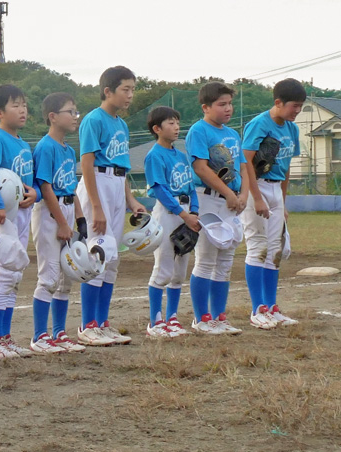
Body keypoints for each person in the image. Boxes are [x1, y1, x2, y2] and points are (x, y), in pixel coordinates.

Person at [74, 66, 146, 347]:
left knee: (112, 257)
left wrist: (131, 199)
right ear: (108, 91)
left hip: (115, 184)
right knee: (98, 253)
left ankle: (102, 322)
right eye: (125, 89)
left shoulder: (121, 124)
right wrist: (96, 206)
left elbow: (121, 168)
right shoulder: (94, 119)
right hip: (98, 184)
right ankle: (88, 325)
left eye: (132, 89)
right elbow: (87, 163)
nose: (130, 95)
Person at [0, 84, 37, 359]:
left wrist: (35, 194)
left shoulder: (24, 144)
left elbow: (30, 182)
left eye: (24, 104)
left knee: (15, 273)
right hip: (2, 215)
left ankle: (5, 337)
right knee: (3, 271)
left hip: (22, 213)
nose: (22, 110)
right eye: (15, 105)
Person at [185, 81, 249, 335]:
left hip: (231, 200)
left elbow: (243, 167)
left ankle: (219, 316)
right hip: (208, 198)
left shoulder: (233, 134)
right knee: (206, 258)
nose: (228, 108)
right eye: (222, 104)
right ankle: (201, 318)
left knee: (226, 259)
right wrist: (228, 193)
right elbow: (200, 168)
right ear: (206, 107)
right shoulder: (199, 130)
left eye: (230, 103)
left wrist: (243, 194)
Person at [241, 78, 304, 329]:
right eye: (294, 106)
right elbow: (246, 162)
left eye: (300, 106)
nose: (297, 110)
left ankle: (271, 306)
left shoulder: (291, 128)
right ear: (278, 102)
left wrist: (283, 202)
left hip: (275, 188)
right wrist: (256, 197)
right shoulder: (259, 124)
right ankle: (258, 309)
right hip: (257, 187)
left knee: (275, 250)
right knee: (258, 247)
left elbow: (286, 167)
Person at [29, 92, 86, 353]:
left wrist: (80, 219)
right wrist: (63, 223)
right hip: (49, 213)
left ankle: (59, 333)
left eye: (76, 112)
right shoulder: (46, 147)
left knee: (66, 278)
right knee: (49, 276)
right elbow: (46, 187)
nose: (75, 117)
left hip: (66, 210)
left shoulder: (68, 150)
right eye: (70, 112)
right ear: (53, 117)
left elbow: (71, 188)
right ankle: (40, 336)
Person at [142, 106, 200, 338]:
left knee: (180, 270)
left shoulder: (181, 155)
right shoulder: (154, 155)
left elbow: (191, 187)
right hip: (167, 213)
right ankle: (155, 322)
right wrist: (184, 215)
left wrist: (194, 211)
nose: (176, 127)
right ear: (157, 129)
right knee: (163, 268)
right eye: (170, 123)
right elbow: (160, 190)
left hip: (186, 210)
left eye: (177, 122)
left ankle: (172, 318)